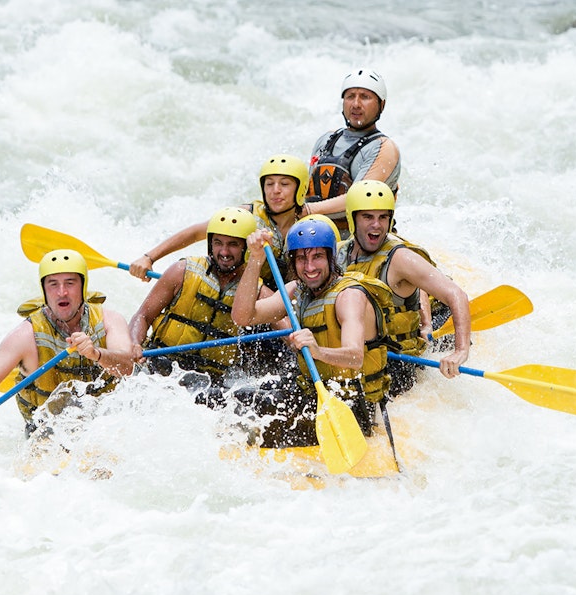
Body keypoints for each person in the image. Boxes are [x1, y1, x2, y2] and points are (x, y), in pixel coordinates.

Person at [230, 219, 395, 448]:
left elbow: (355, 357)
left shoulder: (349, 297)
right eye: (301, 259)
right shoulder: (298, 290)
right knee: (240, 400)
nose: (309, 267)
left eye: (317, 257)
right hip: (314, 394)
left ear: (331, 258)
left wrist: (318, 351)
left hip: (354, 406)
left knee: (262, 430)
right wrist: (255, 260)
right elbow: (242, 317)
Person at [0, 249, 134, 444]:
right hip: (46, 436)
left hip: (105, 427)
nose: (62, 292)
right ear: (44, 290)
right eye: (53, 284)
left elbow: (128, 368)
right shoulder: (26, 336)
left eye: (70, 283)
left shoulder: (110, 321)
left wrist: (96, 354)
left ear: (83, 286)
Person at [128, 207, 286, 391]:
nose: (224, 252)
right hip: (161, 369)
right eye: (218, 243)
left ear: (246, 247)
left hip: (212, 384)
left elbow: (290, 333)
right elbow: (143, 316)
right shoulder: (181, 271)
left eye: (233, 244)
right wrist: (133, 343)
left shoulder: (258, 292)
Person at [337, 180, 471, 395]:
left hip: (398, 363)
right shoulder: (338, 253)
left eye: (383, 217)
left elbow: (456, 294)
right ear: (352, 219)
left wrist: (460, 351)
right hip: (358, 355)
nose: (377, 225)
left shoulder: (401, 258)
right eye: (368, 217)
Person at [128, 155, 310, 288]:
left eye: (284, 184)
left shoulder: (308, 224)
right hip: (239, 294)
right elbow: (195, 233)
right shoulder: (246, 216)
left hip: (277, 300)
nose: (275, 191)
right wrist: (149, 257)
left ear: (299, 188)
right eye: (269, 184)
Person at [304, 68, 402, 235]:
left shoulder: (384, 148)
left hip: (364, 242)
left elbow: (359, 199)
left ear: (382, 105)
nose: (356, 104)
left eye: (365, 97)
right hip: (319, 234)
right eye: (350, 96)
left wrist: (304, 210)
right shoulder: (326, 139)